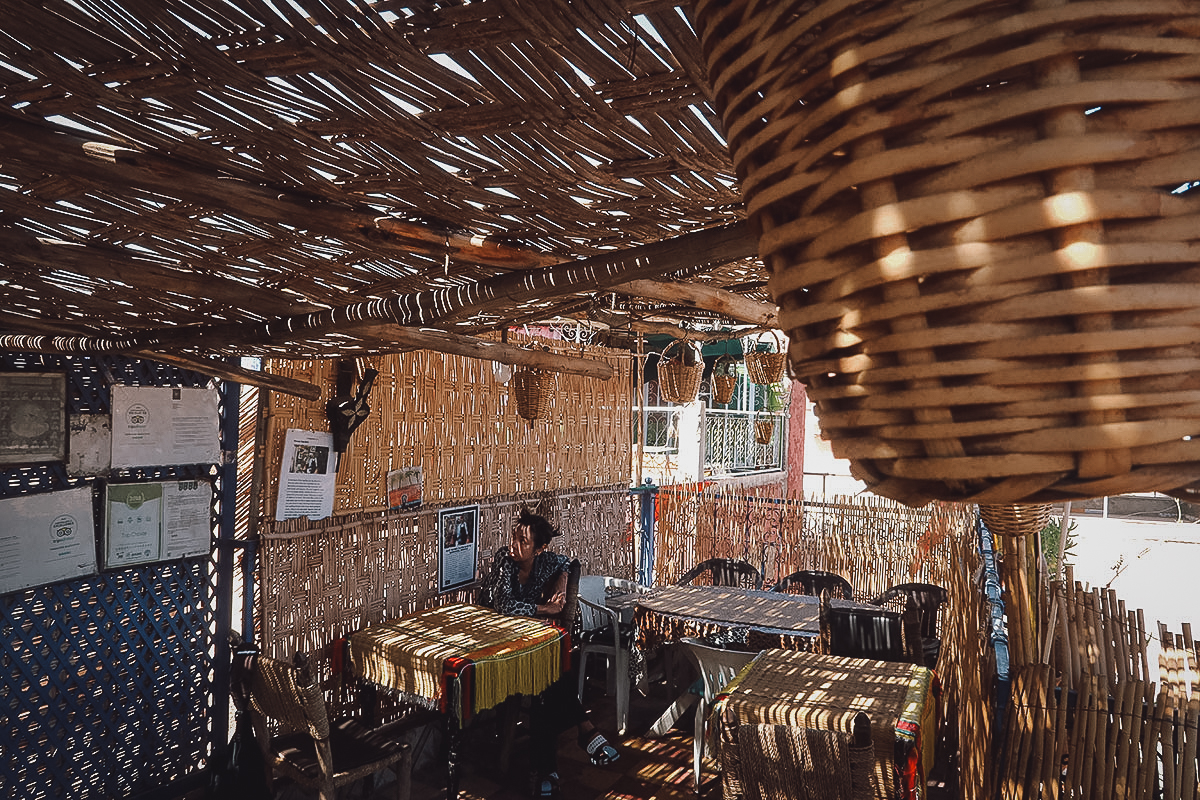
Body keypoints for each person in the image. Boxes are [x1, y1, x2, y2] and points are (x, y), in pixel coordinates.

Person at [481, 508, 619, 798]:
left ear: (539, 548)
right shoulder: (504, 561)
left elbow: (570, 561)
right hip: (497, 644)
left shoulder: (547, 562)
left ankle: (546, 770)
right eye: (513, 537)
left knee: (546, 686)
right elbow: (505, 607)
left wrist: (562, 579)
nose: (513, 544)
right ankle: (585, 730)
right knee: (552, 674)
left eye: (523, 540)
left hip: (526, 644)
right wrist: (547, 609)